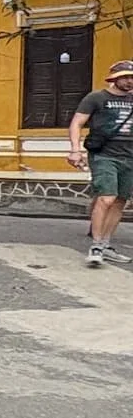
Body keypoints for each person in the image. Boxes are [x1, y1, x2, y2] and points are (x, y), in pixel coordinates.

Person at [68, 59, 133, 267]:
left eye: (132, 77)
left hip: (130, 156)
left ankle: (105, 244)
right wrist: (75, 150)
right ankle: (95, 245)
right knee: (106, 198)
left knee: (120, 201)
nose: (130, 81)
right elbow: (77, 123)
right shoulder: (96, 98)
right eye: (125, 77)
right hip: (104, 155)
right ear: (114, 79)